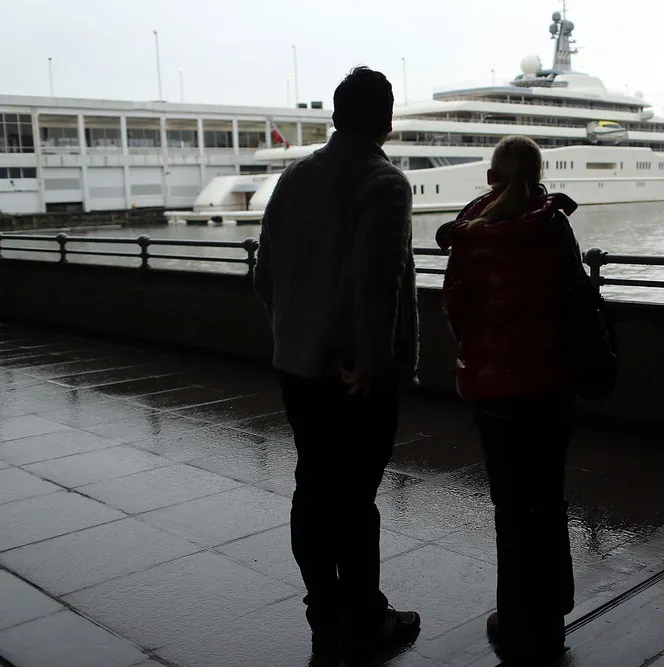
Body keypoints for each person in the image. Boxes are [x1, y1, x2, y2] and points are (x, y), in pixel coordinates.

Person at [253, 66, 420, 667]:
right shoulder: (384, 182)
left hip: (297, 367)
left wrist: (296, 333)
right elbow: (377, 280)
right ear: (386, 119)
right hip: (354, 376)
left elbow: (264, 276)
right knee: (356, 499)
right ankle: (368, 619)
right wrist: (373, 360)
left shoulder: (293, 178)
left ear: (333, 116)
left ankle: (325, 609)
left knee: (311, 489)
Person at [436, 135, 577, 664]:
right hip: (552, 385)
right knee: (549, 498)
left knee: (512, 507)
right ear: (539, 176)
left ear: (491, 177)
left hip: (496, 390)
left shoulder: (473, 233)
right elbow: (574, 298)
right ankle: (552, 611)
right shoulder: (554, 225)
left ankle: (517, 618)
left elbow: (455, 307)